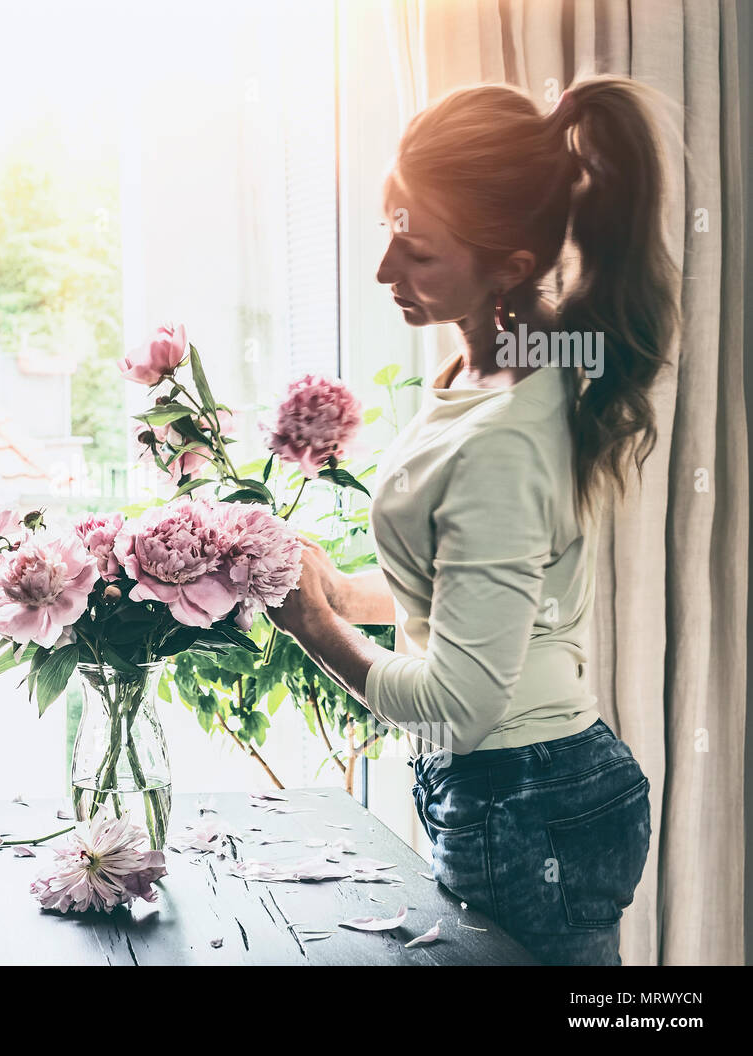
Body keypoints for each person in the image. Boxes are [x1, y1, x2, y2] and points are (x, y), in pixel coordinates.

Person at [267, 76, 678, 966]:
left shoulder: (506, 433)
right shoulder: (514, 362)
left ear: (514, 266)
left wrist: (314, 625)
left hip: (525, 797)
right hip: (533, 788)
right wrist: (340, 587)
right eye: (390, 227)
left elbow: (457, 706)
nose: (385, 271)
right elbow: (470, 591)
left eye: (418, 250)